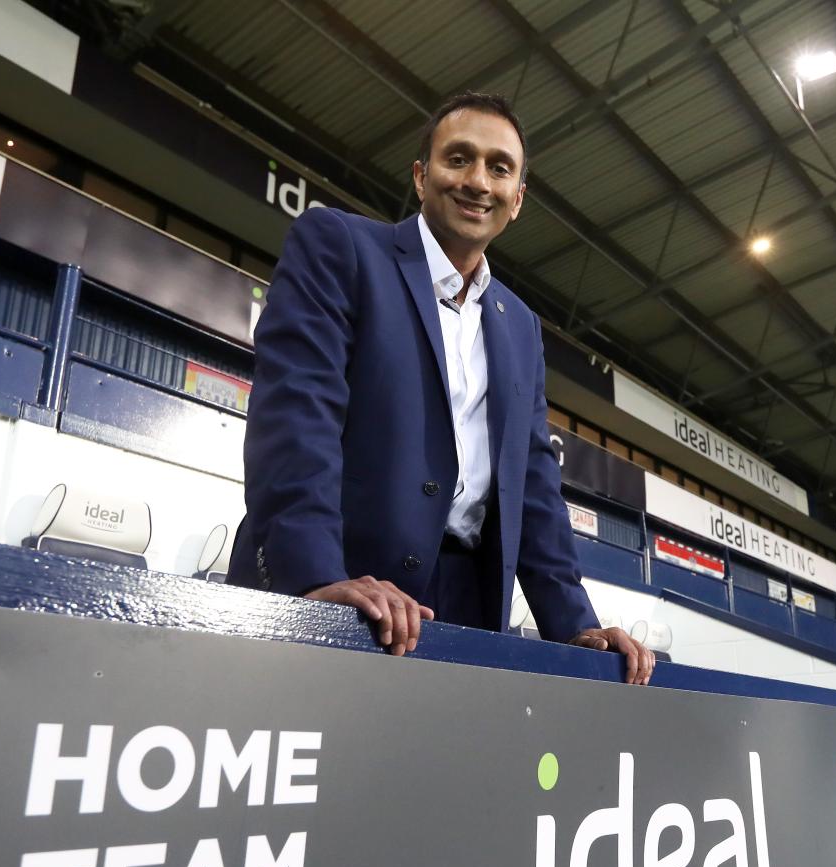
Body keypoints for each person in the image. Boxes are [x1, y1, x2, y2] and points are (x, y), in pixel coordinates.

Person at [227, 92, 654, 685]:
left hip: (468, 610)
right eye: (459, 159)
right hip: (343, 588)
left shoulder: (521, 324)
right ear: (422, 176)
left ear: (518, 199)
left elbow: (531, 485)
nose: (478, 181)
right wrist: (316, 578)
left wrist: (575, 626)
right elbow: (298, 416)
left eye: (499, 168)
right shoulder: (340, 246)